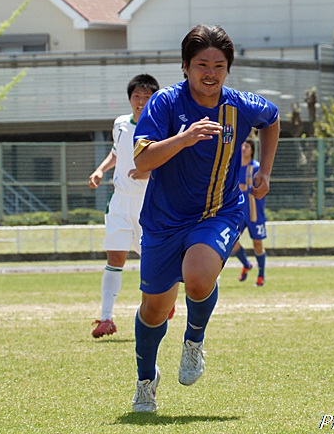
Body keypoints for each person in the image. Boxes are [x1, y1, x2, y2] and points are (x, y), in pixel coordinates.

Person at [129, 24, 280, 412]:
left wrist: (265, 170)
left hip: (220, 210)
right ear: (185, 66)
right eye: (201, 64)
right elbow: (143, 160)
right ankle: (146, 380)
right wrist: (184, 137)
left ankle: (194, 340)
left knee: (198, 277)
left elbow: (272, 119)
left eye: (218, 65)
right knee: (154, 310)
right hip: (163, 220)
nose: (210, 72)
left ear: (228, 69)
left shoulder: (240, 104)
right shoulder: (164, 103)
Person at [88, 73, 161, 339]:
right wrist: (100, 170)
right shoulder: (120, 123)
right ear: (130, 98)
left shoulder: (162, 126)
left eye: (146, 96)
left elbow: (173, 161)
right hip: (119, 201)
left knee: (153, 261)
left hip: (148, 203)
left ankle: (164, 301)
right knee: (115, 258)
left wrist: (148, 173)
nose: (141, 102)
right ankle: (106, 318)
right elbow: (116, 152)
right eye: (136, 96)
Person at [231, 138, 268, 287]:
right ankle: (246, 263)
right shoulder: (234, 167)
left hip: (254, 212)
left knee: (257, 244)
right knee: (232, 241)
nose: (243, 148)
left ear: (252, 150)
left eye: (246, 146)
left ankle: (261, 275)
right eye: (242, 146)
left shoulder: (256, 168)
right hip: (238, 212)